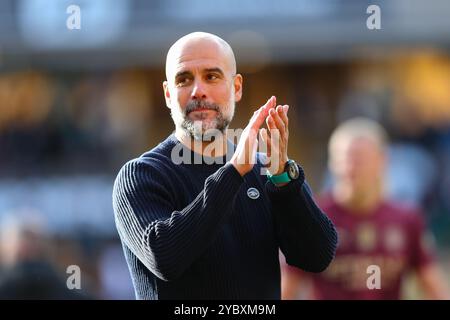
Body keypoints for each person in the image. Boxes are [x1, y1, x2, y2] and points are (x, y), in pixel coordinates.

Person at [112, 32, 337, 300]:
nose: (198, 91)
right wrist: (233, 173)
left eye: (212, 76)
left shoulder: (267, 172)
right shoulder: (141, 176)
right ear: (168, 94)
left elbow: (317, 257)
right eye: (184, 79)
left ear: (237, 87)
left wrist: (285, 180)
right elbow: (165, 258)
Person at [281, 117, 450, 300]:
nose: (351, 167)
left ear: (382, 160)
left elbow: (435, 288)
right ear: (332, 163)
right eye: (345, 159)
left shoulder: (407, 219)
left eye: (360, 159)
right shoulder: (312, 217)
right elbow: (285, 290)